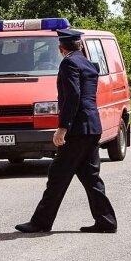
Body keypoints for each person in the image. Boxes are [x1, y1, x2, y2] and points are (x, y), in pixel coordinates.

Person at [15, 29, 118, 234]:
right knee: (91, 177)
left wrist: (63, 127)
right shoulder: (88, 63)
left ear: (61, 48)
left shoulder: (69, 63)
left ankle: (41, 222)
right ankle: (106, 220)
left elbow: (73, 96)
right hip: (92, 127)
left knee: (58, 176)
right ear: (78, 45)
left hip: (78, 129)